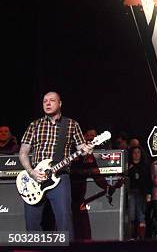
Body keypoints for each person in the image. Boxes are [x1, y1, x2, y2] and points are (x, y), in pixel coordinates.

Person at [19, 91, 93, 241]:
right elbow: (23, 153)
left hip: (60, 176)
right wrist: (31, 172)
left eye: (51, 100)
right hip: (36, 178)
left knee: (64, 219)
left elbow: (81, 150)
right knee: (32, 223)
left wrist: (86, 150)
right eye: (44, 101)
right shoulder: (34, 125)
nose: (47, 103)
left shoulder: (71, 124)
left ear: (60, 104)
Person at [127, 146, 151, 239]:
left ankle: (141, 237)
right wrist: (128, 169)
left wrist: (149, 194)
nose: (136, 154)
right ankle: (132, 236)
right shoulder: (128, 165)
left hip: (142, 193)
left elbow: (148, 180)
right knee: (132, 215)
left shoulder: (144, 166)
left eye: (138, 152)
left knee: (141, 215)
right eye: (134, 152)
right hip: (131, 192)